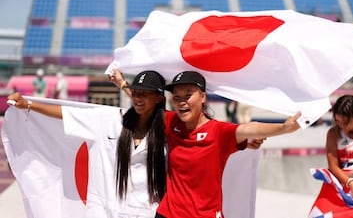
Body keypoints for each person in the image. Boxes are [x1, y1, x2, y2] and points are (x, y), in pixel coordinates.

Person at [8, 70, 168, 218]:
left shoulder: (169, 130)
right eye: (135, 93)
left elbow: (161, 114)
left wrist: (123, 85)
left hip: (146, 211)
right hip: (104, 209)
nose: (138, 98)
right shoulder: (109, 119)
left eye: (144, 94)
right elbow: (66, 113)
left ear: (158, 98)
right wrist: (28, 104)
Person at [150, 70, 301, 218]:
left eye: (188, 95)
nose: (181, 102)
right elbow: (144, 106)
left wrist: (283, 128)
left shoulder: (218, 131)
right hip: (167, 214)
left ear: (203, 97)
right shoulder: (171, 122)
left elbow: (249, 128)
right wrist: (125, 86)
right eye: (176, 97)